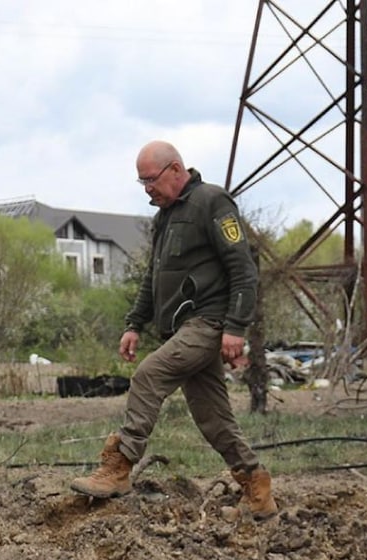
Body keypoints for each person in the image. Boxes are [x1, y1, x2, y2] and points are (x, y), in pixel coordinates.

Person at [72, 141, 277, 518]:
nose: (148, 188)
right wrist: (134, 323)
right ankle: (257, 492)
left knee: (149, 375)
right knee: (213, 417)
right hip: (183, 328)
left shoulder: (211, 202)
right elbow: (154, 276)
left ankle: (119, 466)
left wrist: (236, 327)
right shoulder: (164, 216)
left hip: (209, 322)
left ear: (176, 170)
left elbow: (243, 269)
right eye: (142, 182)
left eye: (152, 179)